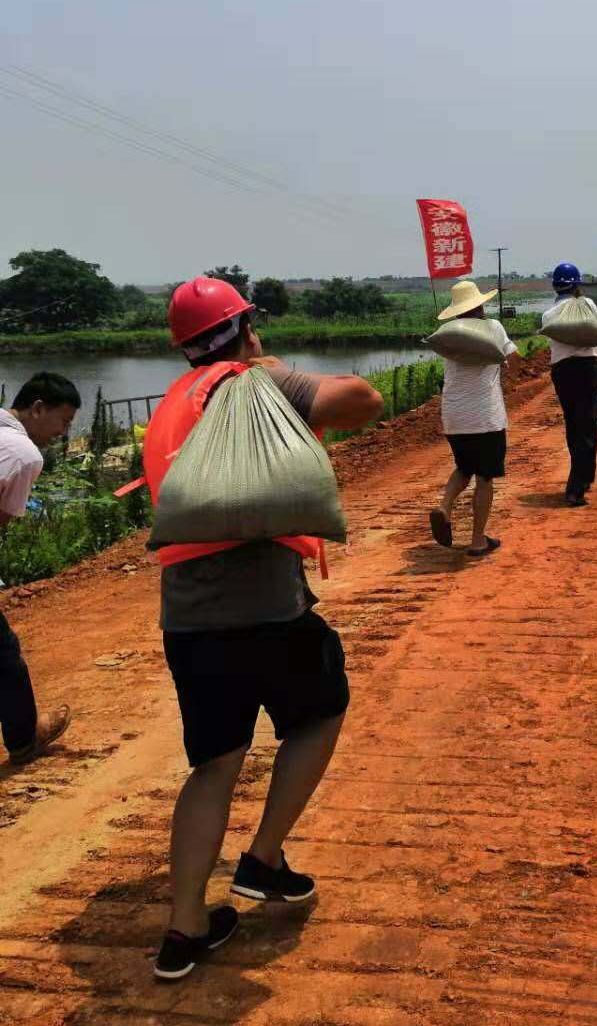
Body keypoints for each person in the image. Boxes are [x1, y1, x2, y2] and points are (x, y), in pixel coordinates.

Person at [147, 276, 383, 981]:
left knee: (215, 762)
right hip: (266, 608)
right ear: (246, 330)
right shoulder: (254, 385)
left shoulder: (171, 404)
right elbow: (364, 401)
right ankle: (264, 857)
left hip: (187, 615)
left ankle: (185, 929)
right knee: (322, 711)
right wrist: (273, 369)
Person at [0, 372, 80, 766]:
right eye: (63, 421)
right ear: (37, 408)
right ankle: (23, 738)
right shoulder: (24, 454)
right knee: (4, 656)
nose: (63, 433)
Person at [428, 280, 518, 558]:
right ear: (480, 305)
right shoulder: (493, 328)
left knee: (464, 467)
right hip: (485, 417)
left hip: (454, 416)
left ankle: (445, 506)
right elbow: (515, 359)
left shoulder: (448, 333)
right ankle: (478, 541)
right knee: (485, 477)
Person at [542, 263, 597, 507]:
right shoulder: (587, 304)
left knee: (573, 425)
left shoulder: (548, 314)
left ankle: (584, 476)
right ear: (577, 285)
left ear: (555, 286)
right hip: (586, 369)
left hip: (562, 372)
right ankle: (576, 487)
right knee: (588, 426)